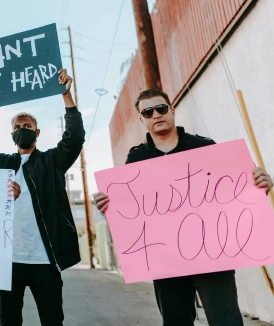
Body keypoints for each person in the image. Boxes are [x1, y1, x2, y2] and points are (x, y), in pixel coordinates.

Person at [93, 88, 273, 326]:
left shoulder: (204, 147)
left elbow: (236, 189)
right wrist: (108, 205)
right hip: (166, 259)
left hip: (212, 253)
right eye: (148, 112)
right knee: (176, 321)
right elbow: (131, 210)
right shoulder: (137, 159)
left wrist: (261, 184)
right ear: (141, 119)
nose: (155, 114)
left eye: (161, 108)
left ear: (172, 110)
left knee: (226, 319)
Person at [0, 69, 84, 326]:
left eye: (27, 126)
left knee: (53, 320)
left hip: (45, 262)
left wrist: (67, 97)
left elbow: (74, 138)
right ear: (11, 134)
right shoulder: (0, 163)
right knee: (9, 321)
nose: (22, 130)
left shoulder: (52, 161)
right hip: (7, 262)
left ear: (37, 132)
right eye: (18, 127)